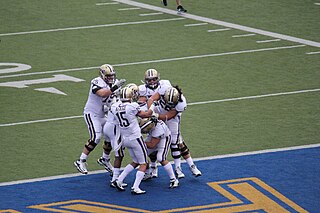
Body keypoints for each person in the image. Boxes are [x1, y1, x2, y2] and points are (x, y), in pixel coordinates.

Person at [74, 64, 126, 174]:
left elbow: (115, 99)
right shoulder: (97, 82)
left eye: (112, 75)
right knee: (96, 137)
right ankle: (81, 160)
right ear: (102, 75)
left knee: (110, 135)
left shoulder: (114, 83)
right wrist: (115, 87)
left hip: (103, 115)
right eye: (108, 75)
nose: (110, 77)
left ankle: (105, 159)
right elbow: (102, 94)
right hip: (92, 114)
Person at [147, 86, 202, 178]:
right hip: (157, 113)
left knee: (175, 142)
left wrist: (155, 115)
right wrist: (150, 111)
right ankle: (153, 167)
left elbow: (168, 116)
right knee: (153, 141)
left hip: (172, 119)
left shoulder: (181, 103)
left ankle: (179, 168)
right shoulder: (164, 89)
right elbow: (151, 100)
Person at [111, 87, 155, 195]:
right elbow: (146, 114)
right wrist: (152, 105)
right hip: (135, 138)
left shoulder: (114, 106)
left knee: (136, 161)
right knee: (144, 163)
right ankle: (135, 187)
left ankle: (119, 180)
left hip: (125, 139)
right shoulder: (132, 106)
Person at [138, 68, 171, 178]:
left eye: (154, 79)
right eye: (149, 80)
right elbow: (141, 102)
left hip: (161, 120)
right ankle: (153, 167)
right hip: (149, 120)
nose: (152, 82)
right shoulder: (142, 89)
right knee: (151, 147)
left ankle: (177, 170)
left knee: (172, 143)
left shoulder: (164, 85)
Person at [139, 117, 179, 188]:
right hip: (154, 136)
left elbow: (152, 145)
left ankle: (174, 179)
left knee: (161, 158)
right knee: (142, 154)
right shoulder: (151, 121)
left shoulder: (158, 130)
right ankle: (148, 173)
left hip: (164, 138)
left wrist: (140, 142)